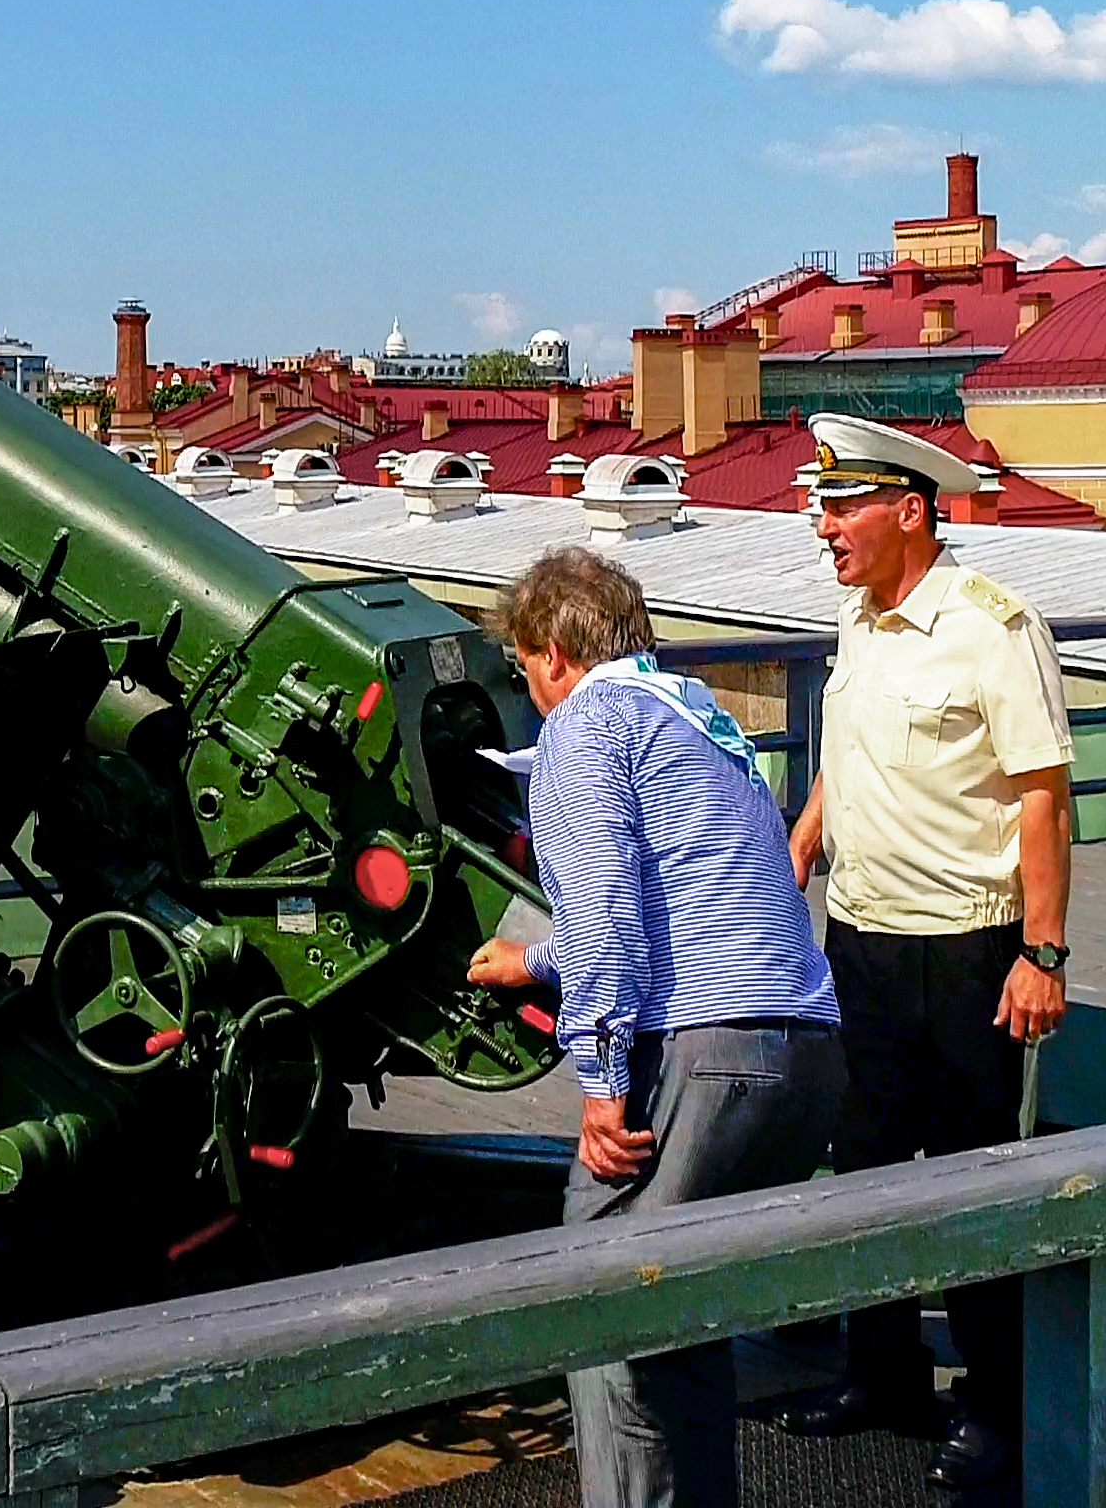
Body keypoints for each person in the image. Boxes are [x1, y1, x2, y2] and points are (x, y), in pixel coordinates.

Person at [462, 545, 842, 1508]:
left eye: (521, 666)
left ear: (551, 652)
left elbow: (605, 917)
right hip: (802, 1049)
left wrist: (596, 1081)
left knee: (606, 1287)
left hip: (715, 1054)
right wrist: (533, 959)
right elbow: (689, 886)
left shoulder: (584, 728)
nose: (529, 689)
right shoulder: (692, 715)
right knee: (682, 1314)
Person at [770, 416, 1077, 1496]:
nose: (824, 526)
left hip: (966, 947)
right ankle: (882, 1375)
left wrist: (1040, 952)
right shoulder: (861, 619)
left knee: (970, 1182)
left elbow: (1042, 794)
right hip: (859, 937)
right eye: (823, 504)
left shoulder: (993, 628)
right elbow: (849, 756)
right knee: (860, 1164)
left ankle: (996, 1407)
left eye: (843, 506)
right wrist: (805, 834)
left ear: (910, 510)